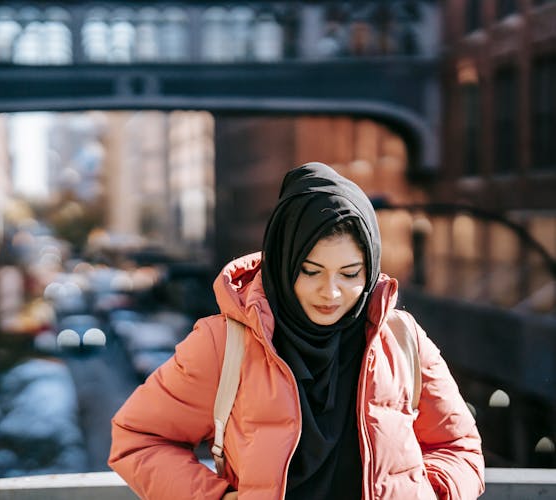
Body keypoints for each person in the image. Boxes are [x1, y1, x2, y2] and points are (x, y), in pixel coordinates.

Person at [109, 162, 485, 499]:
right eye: (311, 271)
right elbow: (138, 438)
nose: (332, 292)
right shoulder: (224, 344)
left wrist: (431, 494)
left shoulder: (402, 340)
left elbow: (459, 447)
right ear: (284, 264)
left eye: (351, 274)